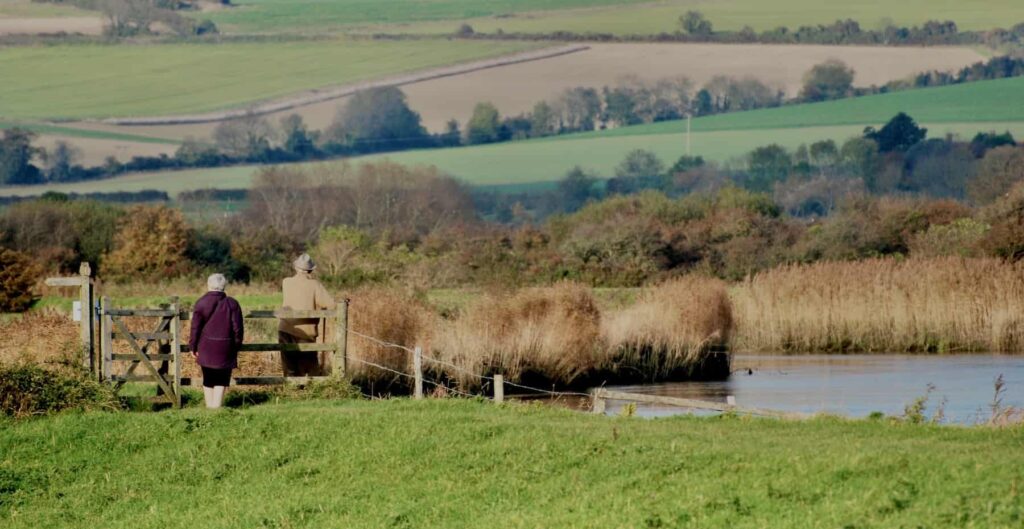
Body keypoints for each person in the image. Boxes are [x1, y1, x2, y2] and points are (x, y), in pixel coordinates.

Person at [189, 273, 244, 409]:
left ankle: (210, 408)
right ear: (224, 286)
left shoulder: (201, 302)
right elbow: (238, 329)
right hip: (226, 346)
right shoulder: (232, 303)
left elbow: (195, 328)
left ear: (208, 285)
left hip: (205, 346)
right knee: (222, 378)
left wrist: (193, 347)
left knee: (208, 377)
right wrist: (235, 345)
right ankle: (217, 407)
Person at [279, 254, 336, 376]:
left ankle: (292, 389)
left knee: (289, 364)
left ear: (295, 267)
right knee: (308, 365)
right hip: (306, 331)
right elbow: (331, 304)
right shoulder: (315, 285)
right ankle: (308, 389)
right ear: (310, 270)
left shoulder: (286, 282)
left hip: (285, 328)